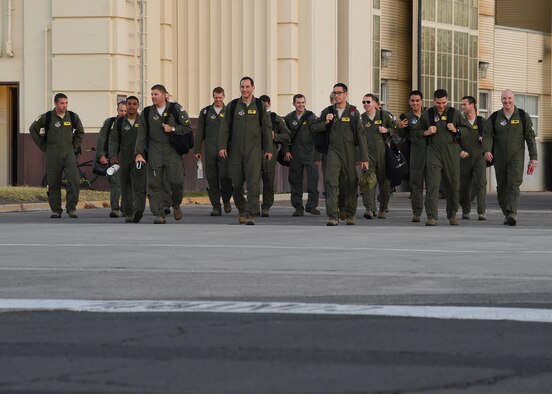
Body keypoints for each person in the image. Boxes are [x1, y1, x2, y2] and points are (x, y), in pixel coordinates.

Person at [218, 77, 273, 225]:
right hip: (235, 151)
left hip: (254, 151)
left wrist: (268, 149)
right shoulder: (233, 106)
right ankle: (241, 210)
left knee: (253, 183)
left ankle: (250, 214)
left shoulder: (260, 106)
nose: (245, 89)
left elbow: (267, 129)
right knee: (236, 184)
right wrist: (222, 146)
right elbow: (225, 128)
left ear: (253, 88)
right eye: (242, 87)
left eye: (248, 87)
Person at [134, 84, 192, 224]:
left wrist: (172, 128)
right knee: (155, 184)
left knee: (176, 181)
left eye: (156, 94)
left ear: (164, 95)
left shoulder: (175, 109)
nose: (153, 97)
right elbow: (141, 134)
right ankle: (158, 213)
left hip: (172, 151)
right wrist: (139, 153)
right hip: (155, 151)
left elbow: (187, 128)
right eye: (152, 94)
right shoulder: (147, 113)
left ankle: (176, 204)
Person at [312, 83, 369, 226]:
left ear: (345, 94)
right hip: (332, 151)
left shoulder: (353, 112)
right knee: (331, 181)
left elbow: (361, 136)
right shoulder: (327, 111)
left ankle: (349, 214)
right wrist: (326, 121)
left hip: (349, 152)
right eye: (335, 93)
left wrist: (364, 158)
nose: (337, 95)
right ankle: (333, 216)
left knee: (350, 182)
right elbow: (314, 128)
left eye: (339, 93)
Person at [414, 89, 470, 226]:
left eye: (444, 102)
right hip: (433, 150)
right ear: (434, 101)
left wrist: (456, 130)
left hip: (451, 151)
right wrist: (427, 132)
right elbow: (415, 131)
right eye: (438, 103)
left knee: (453, 184)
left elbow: (468, 129)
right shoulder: (428, 114)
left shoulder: (454, 113)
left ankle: (452, 215)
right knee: (432, 185)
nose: (441, 105)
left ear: (447, 101)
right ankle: (432, 217)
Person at [483, 89, 538, 226]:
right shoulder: (495, 117)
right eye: (504, 99)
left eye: (509, 98)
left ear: (513, 99)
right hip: (499, 157)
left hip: (516, 157)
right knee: (502, 187)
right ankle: (507, 214)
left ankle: (512, 212)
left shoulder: (522, 116)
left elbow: (530, 137)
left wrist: (533, 157)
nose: (507, 101)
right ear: (501, 100)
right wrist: (487, 150)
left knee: (513, 184)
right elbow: (487, 135)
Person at [29, 93, 84, 218]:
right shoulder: (47, 117)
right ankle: (56, 209)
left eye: (66, 103)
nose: (64, 105)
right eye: (61, 103)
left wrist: (75, 146)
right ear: (55, 103)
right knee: (54, 181)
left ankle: (71, 208)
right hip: (53, 153)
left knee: (74, 179)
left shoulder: (72, 116)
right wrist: (43, 146)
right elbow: (33, 129)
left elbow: (80, 131)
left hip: (69, 153)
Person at [194, 87, 233, 216]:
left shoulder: (229, 111)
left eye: (220, 98)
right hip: (210, 151)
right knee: (212, 179)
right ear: (213, 97)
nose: (218, 100)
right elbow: (200, 132)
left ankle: (226, 199)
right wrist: (197, 149)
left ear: (224, 97)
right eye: (216, 98)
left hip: (225, 151)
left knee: (225, 176)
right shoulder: (205, 112)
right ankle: (216, 206)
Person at [109, 96, 147, 223]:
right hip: (124, 158)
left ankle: (138, 210)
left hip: (139, 157)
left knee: (139, 185)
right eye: (129, 104)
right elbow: (114, 140)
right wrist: (113, 155)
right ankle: (129, 213)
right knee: (125, 186)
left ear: (138, 106)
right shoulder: (119, 122)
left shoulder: (143, 121)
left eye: (134, 104)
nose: (131, 106)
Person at [360, 93, 398, 219]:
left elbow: (397, 130)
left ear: (375, 103)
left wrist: (387, 130)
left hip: (383, 154)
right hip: (368, 155)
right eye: (364, 102)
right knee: (368, 181)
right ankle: (370, 209)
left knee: (385, 183)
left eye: (368, 102)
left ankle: (383, 207)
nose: (365, 104)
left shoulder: (384, 116)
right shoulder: (361, 119)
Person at [283, 94, 320, 216]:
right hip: (295, 154)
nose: (301, 105)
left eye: (303, 102)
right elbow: (285, 136)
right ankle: (298, 207)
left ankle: (312, 206)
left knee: (313, 180)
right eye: (298, 103)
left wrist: (317, 154)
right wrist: (286, 151)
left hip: (310, 153)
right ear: (294, 104)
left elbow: (317, 133)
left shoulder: (311, 117)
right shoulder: (289, 118)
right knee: (295, 181)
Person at [259, 95, 291, 217]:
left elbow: (287, 135)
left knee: (268, 179)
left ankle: (266, 206)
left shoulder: (275, 118)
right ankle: (253, 206)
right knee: (253, 180)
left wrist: (275, 136)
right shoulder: (254, 117)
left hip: (270, 151)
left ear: (269, 104)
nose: (264, 108)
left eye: (266, 105)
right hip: (255, 151)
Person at [397, 90, 425, 221]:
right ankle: (417, 212)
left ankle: (432, 212)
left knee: (432, 185)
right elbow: (402, 136)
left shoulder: (429, 115)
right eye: (412, 101)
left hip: (431, 152)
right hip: (415, 153)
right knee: (415, 184)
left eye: (417, 100)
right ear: (409, 102)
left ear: (422, 101)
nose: (415, 103)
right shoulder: (406, 117)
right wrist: (400, 127)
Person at [459, 96, 487, 221]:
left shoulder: (482, 122)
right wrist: (459, 151)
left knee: (480, 184)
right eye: (462, 104)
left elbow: (491, 138)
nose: (462, 106)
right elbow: (454, 140)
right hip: (464, 158)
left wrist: (485, 144)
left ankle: (481, 211)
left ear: (473, 105)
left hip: (479, 158)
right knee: (464, 186)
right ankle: (466, 210)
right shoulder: (460, 122)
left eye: (465, 104)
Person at [96, 101, 126, 218]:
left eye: (125, 111)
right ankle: (115, 209)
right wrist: (101, 155)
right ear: (117, 110)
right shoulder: (110, 123)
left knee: (127, 184)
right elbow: (101, 139)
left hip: (128, 158)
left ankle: (126, 207)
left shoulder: (134, 122)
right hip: (113, 158)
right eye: (121, 110)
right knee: (115, 183)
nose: (123, 113)